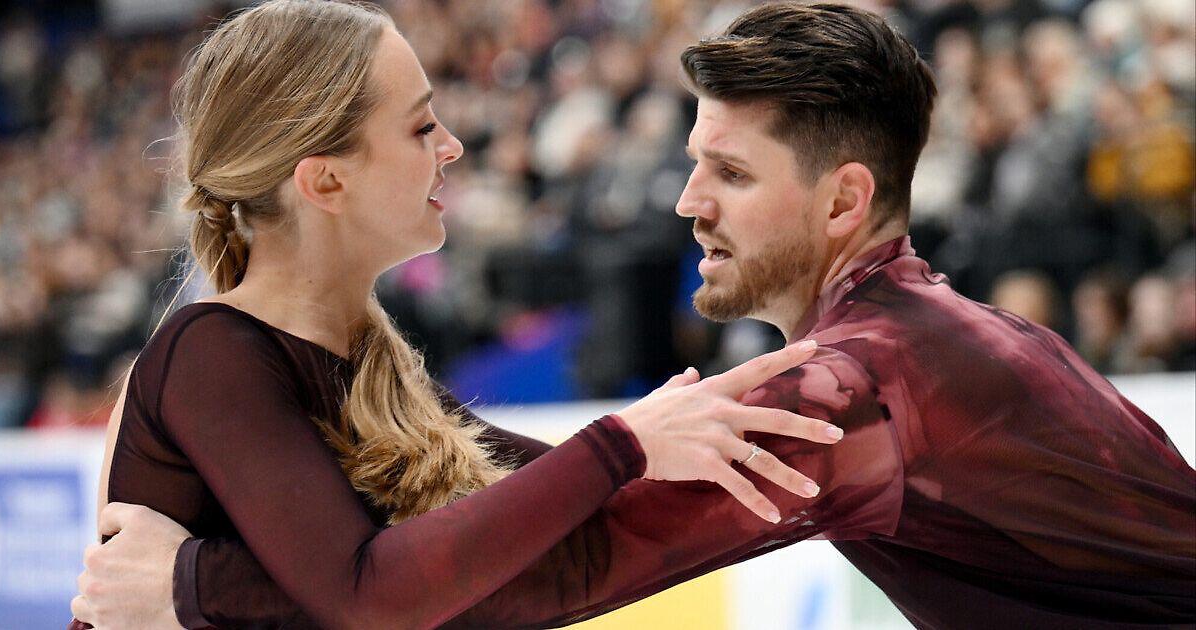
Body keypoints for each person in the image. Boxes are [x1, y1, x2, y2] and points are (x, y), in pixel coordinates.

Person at [77, 2, 1196, 629]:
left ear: (842, 201)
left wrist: (191, 589)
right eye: (695, 160)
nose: (684, 201)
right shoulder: (929, 338)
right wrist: (625, 445)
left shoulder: (856, 389)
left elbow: (549, 569)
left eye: (730, 173)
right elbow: (508, 504)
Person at [66, 1, 845, 628]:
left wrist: (199, 583)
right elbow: (370, 598)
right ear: (325, 182)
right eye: (419, 127)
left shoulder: (368, 363)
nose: (453, 146)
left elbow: (552, 541)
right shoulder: (212, 353)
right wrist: (624, 444)